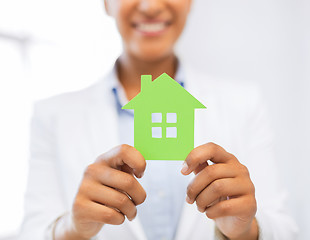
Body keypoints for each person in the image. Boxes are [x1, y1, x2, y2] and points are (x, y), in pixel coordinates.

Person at [19, 0, 298, 239]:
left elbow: (287, 231)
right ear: (105, 2)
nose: (151, 6)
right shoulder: (51, 116)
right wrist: (72, 228)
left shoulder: (244, 103)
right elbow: (30, 232)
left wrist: (246, 230)